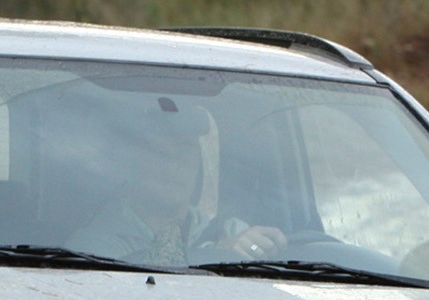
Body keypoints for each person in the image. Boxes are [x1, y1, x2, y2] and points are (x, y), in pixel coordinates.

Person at [68, 96, 286, 268]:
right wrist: (219, 254)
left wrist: (268, 248)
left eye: (184, 152)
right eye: (159, 153)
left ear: (198, 164)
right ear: (133, 163)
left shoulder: (230, 231)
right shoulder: (90, 251)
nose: (174, 166)